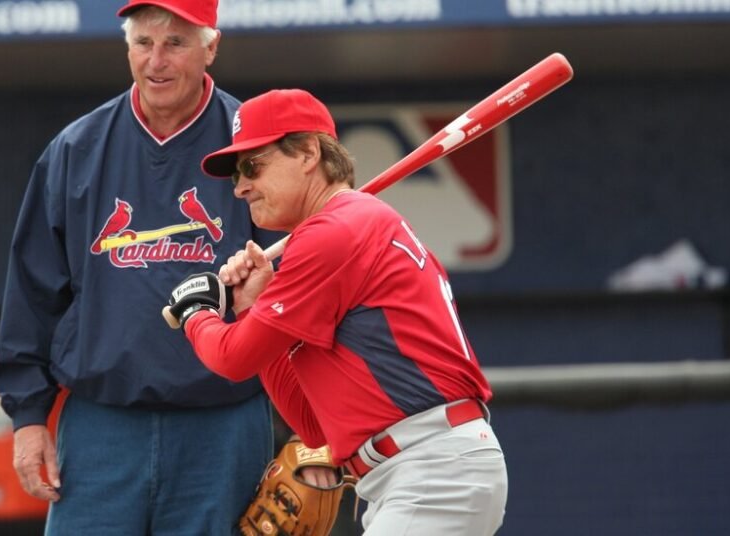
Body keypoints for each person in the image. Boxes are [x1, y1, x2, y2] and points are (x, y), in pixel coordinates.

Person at [0, 1, 282, 534]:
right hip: (104, 424)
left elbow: (307, 289)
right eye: (143, 43)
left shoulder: (257, 147)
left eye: (175, 42)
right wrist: (29, 416)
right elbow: (34, 292)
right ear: (126, 48)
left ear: (211, 47)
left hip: (223, 424)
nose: (157, 61)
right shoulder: (76, 150)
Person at [167, 88, 509, 535]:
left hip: (432, 466)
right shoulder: (345, 227)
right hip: (419, 469)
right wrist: (251, 307)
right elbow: (313, 427)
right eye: (236, 174)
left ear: (309, 152)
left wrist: (197, 312)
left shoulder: (336, 231)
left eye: (253, 166)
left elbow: (232, 358)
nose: (241, 186)